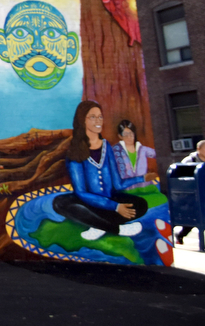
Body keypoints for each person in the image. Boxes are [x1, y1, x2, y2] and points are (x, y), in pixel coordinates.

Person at [54, 100, 148, 241]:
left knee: (141, 204)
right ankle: (117, 229)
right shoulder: (75, 151)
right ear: (82, 120)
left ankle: (98, 224)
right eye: (93, 117)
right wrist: (116, 207)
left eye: (100, 116)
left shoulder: (106, 146)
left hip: (109, 198)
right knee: (59, 203)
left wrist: (142, 179)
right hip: (89, 203)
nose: (98, 120)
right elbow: (81, 192)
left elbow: (117, 183)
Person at [176, 140, 205, 248]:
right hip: (193, 196)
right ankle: (180, 234)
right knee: (194, 219)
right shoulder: (189, 161)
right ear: (198, 149)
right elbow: (184, 179)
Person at [112, 119, 158, 184]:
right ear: (120, 136)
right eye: (126, 134)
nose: (129, 137)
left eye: (131, 133)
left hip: (144, 187)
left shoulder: (142, 149)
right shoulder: (115, 151)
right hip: (125, 188)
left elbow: (159, 155)